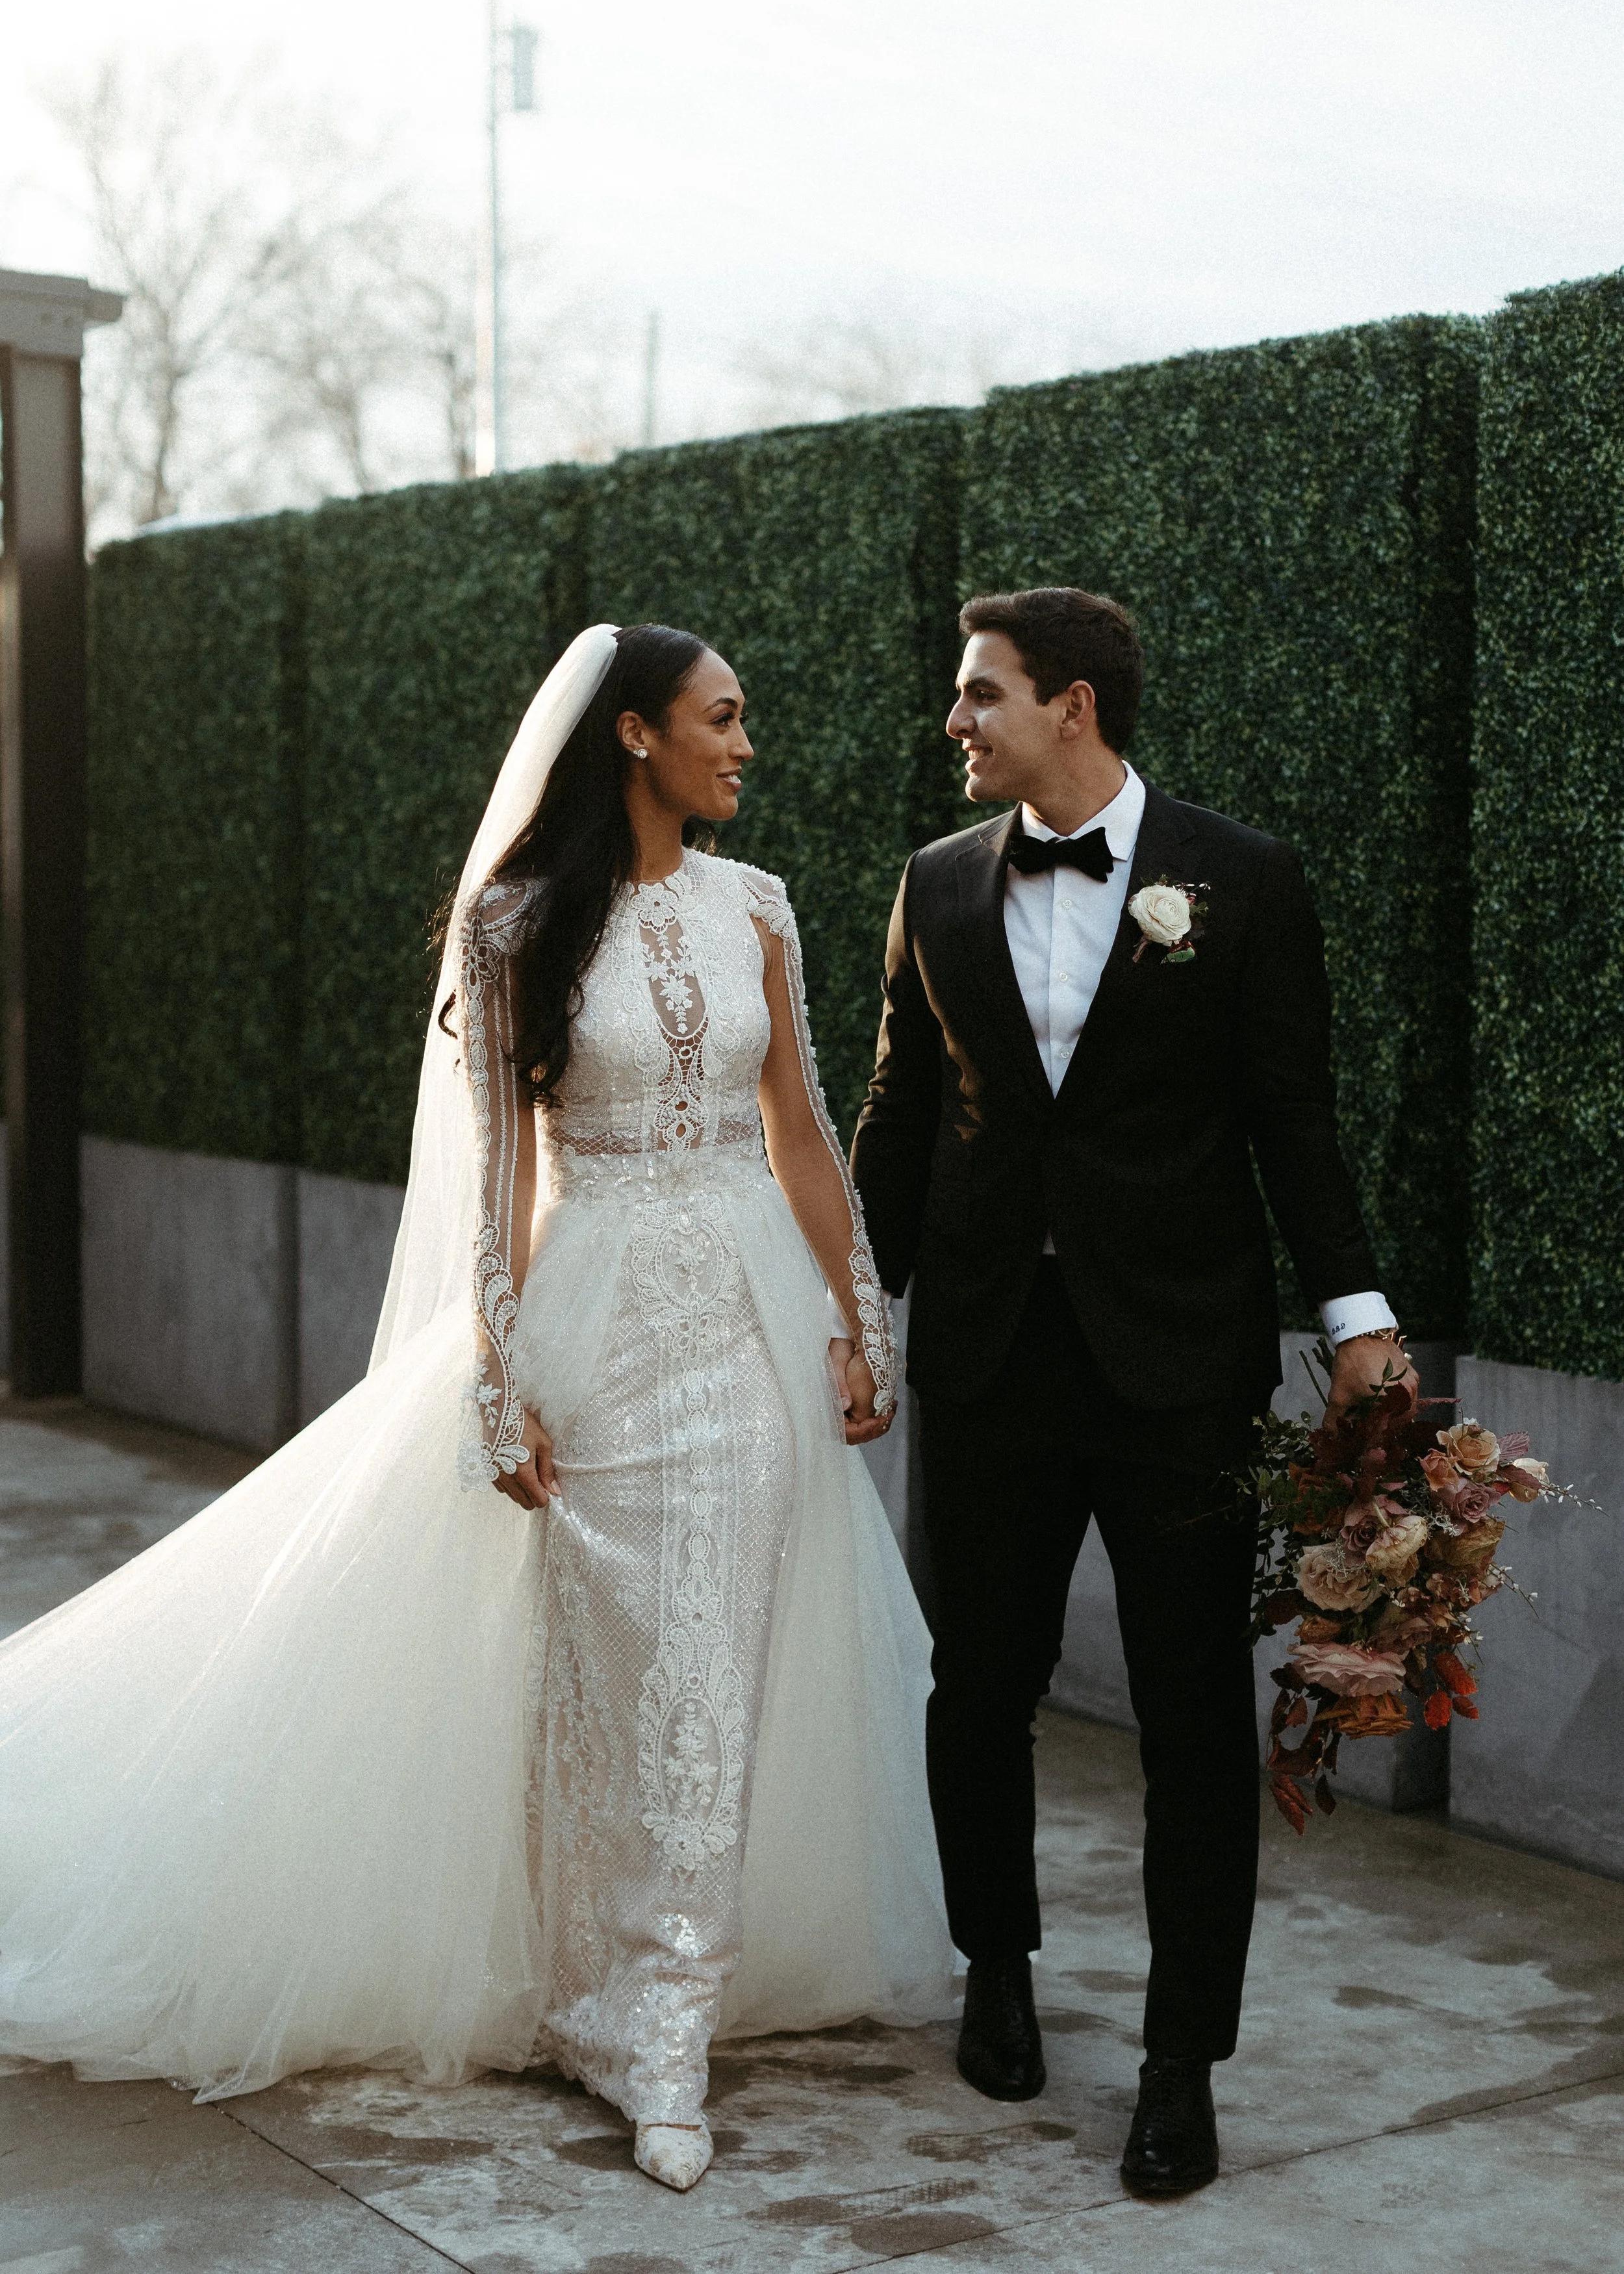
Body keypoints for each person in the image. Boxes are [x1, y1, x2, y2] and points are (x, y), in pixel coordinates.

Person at [0, 622, 952, 2193]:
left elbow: (795, 1130)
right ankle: (599, 1994)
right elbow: (504, 1182)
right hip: (599, 1329)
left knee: (717, 1663)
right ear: (635, 735)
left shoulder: (759, 907)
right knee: (597, 1664)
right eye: (722, 719)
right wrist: (502, 1375)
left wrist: (859, 1321)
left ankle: (662, 2014)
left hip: (759, 1336)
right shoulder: (517, 927)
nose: (745, 745)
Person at [850, 587, 1416, 2198]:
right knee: (976, 1687)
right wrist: (841, 1312)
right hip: (984, 1358)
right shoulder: (931, 887)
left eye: (979, 695)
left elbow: (1291, 1120)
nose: (954, 721)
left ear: (1072, 706)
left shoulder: (1241, 882)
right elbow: (899, 1121)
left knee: (1188, 1721)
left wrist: (1357, 1315)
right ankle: (998, 1974)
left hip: (1178, 1369)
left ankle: (1182, 2064)